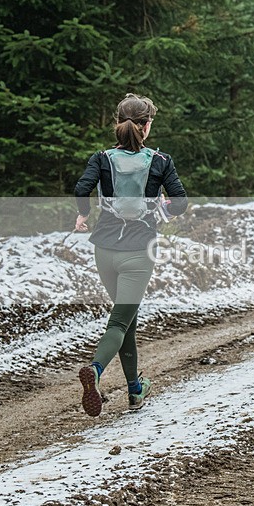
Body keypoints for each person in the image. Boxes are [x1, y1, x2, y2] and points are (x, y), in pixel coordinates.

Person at [74, 93, 188, 417]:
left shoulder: (101, 158)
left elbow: (82, 189)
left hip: (104, 250)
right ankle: (95, 371)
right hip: (139, 251)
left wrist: (82, 216)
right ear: (147, 125)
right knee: (120, 321)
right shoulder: (161, 161)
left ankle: (135, 390)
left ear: (119, 124)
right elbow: (180, 201)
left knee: (127, 321)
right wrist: (160, 210)